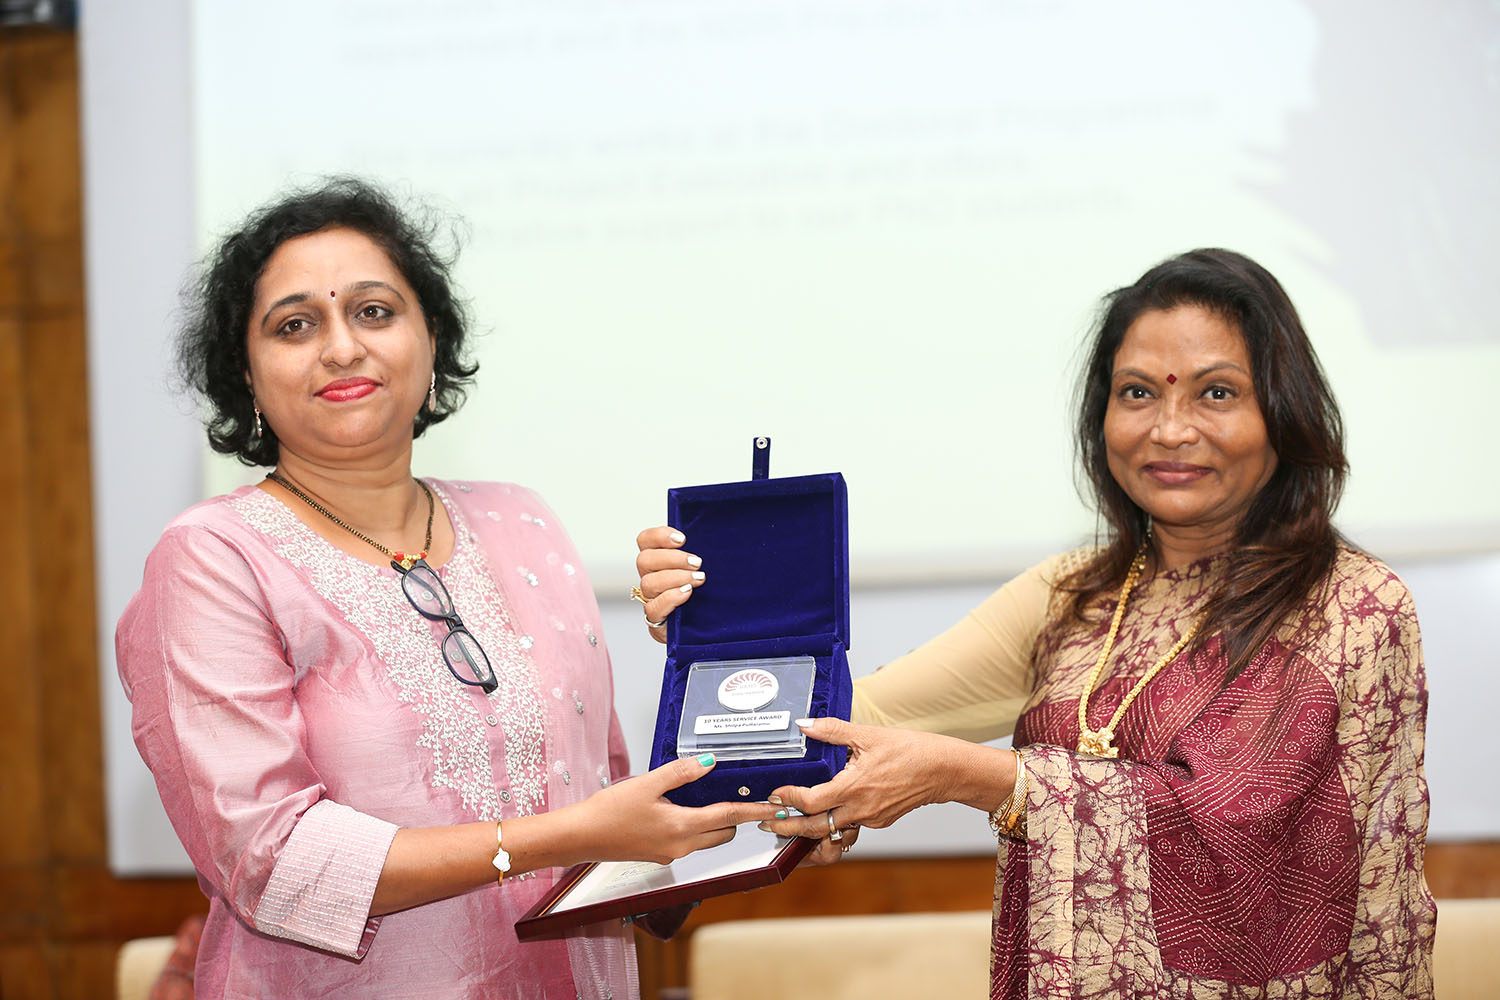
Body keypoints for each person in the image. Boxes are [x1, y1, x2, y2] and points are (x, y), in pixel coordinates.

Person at [635, 249, 1435, 997]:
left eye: (1216, 392)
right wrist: (723, 638)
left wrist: (972, 776)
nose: (1170, 428)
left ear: (1282, 413)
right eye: (1138, 392)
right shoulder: (1073, 594)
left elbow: (1240, 823)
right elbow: (849, 723)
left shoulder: (1358, 607)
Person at [117, 177, 776, 999]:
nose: (342, 347)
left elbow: (610, 816)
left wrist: (735, 770)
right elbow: (272, 862)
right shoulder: (213, 557)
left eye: (374, 312)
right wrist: (560, 836)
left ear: (431, 341)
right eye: (294, 325)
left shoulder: (523, 522)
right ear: (245, 374)